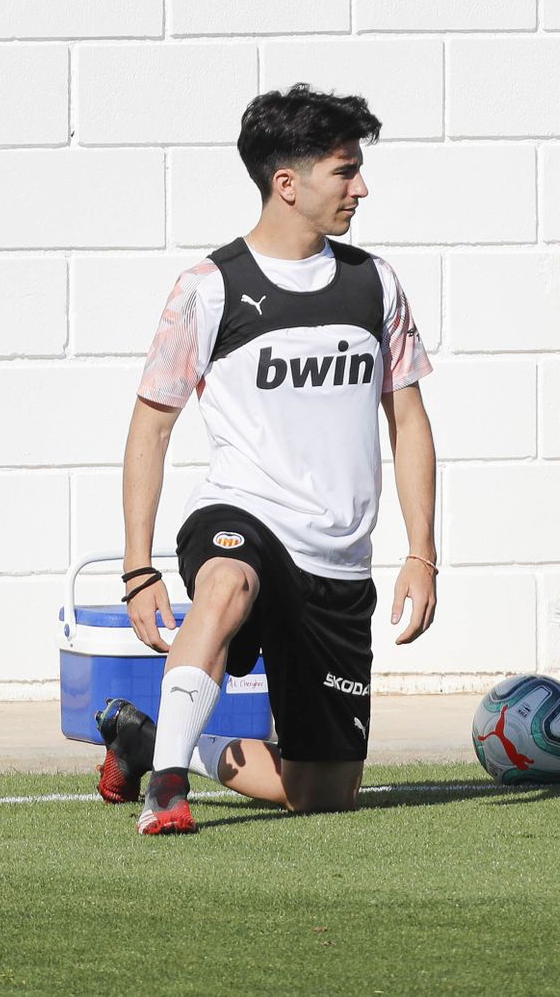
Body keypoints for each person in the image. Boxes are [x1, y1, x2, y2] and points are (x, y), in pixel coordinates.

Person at [99, 84, 437, 835]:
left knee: (324, 791)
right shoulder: (210, 288)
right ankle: (165, 790)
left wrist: (423, 553)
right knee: (225, 582)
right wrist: (137, 566)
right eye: (344, 170)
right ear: (287, 183)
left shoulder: (375, 284)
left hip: (338, 561)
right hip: (241, 513)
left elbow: (408, 422)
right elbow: (150, 428)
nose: (361, 186)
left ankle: (154, 739)